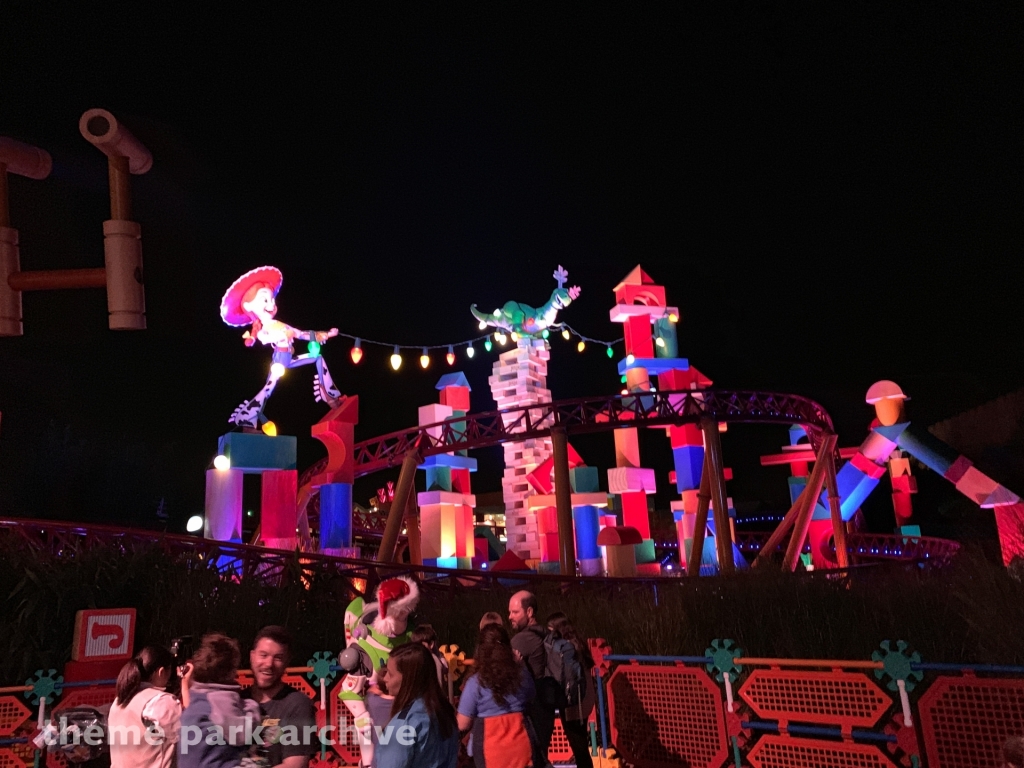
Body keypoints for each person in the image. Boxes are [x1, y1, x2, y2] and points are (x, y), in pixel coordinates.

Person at [220, 266, 342, 427]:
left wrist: (327, 334)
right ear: (249, 306)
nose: (271, 303)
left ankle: (328, 393)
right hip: (279, 362)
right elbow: (265, 338)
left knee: (317, 357)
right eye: (265, 300)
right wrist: (283, 336)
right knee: (268, 389)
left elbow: (301, 334)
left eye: (272, 299)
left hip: (289, 358)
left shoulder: (278, 323)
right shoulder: (262, 328)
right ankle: (246, 416)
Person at [457, 624, 535, 768]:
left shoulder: (476, 683)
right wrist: (520, 665)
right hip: (521, 749)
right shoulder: (521, 676)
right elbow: (531, 696)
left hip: (490, 754)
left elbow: (462, 724)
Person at [179, 633, 262, 768]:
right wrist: (252, 707)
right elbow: (240, 734)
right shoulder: (218, 699)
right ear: (229, 671)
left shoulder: (197, 699)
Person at [375, 643, 459, 768]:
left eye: (390, 674)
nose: (385, 678)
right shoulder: (445, 712)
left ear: (408, 679)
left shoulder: (405, 723)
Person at [244, 626, 317, 768]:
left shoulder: (298, 704)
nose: (269, 664)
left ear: (287, 662)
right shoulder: (237, 701)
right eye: (263, 655)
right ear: (252, 656)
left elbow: (295, 765)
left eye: (278, 658)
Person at [108, 645, 183, 768]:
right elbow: (191, 735)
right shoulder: (160, 701)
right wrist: (187, 685)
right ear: (161, 672)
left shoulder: (119, 701)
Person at [508, 591, 556, 768]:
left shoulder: (522, 639)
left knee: (532, 760)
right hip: (547, 705)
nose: (510, 617)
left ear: (529, 612)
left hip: (532, 710)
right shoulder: (545, 633)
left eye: (515, 612)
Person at [546, 613, 595, 768]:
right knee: (581, 745)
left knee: (578, 747)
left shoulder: (564, 648)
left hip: (572, 702)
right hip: (585, 698)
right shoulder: (578, 642)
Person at [410, 624, 449, 688]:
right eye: (415, 645)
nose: (418, 648)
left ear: (431, 644)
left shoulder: (434, 661)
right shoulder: (413, 659)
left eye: (421, 645)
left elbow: (438, 685)